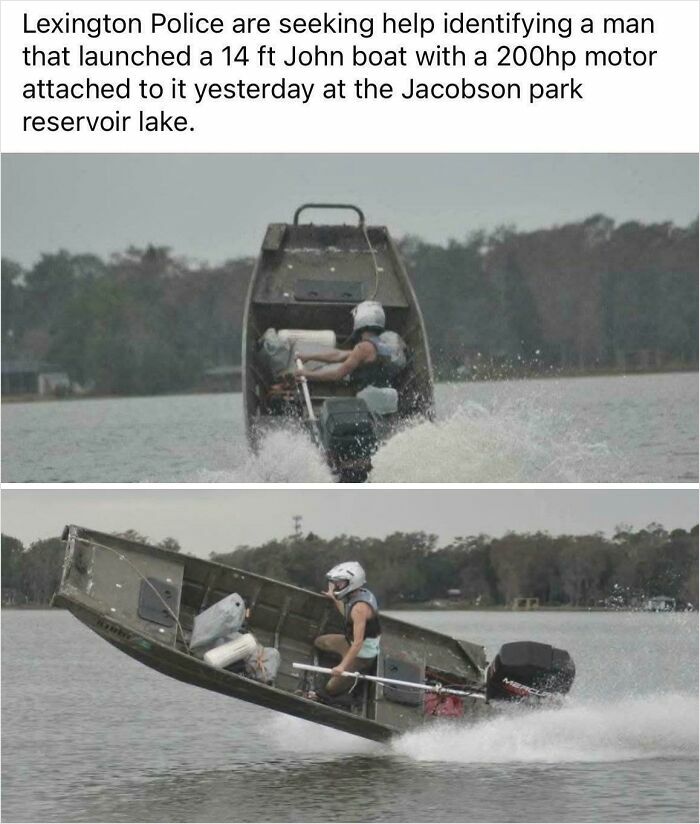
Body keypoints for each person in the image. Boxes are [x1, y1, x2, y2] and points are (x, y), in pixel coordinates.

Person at [295, 301, 406, 389]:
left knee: (329, 370)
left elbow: (337, 374)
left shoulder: (363, 348)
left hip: (367, 391)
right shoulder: (380, 343)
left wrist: (307, 374)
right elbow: (339, 355)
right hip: (384, 387)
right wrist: (308, 356)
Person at [313, 561, 381, 699]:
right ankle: (342, 662)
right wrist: (334, 598)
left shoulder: (360, 608)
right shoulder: (359, 594)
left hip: (362, 655)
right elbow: (348, 613)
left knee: (330, 689)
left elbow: (358, 643)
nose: (337, 585)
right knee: (319, 642)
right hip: (348, 643)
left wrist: (342, 667)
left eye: (341, 582)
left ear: (353, 582)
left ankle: (356, 675)